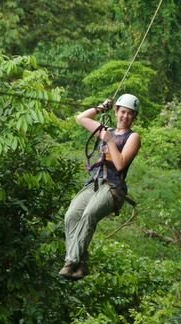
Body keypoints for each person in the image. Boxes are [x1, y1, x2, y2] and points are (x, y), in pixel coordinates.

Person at [58, 94, 141, 281]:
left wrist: (110, 141)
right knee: (71, 215)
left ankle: (71, 261)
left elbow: (120, 165)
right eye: (122, 112)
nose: (125, 116)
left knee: (89, 215)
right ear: (116, 111)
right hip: (94, 182)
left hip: (113, 186)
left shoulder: (133, 137)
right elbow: (81, 118)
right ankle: (81, 263)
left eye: (129, 113)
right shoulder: (106, 130)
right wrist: (101, 107)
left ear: (134, 116)